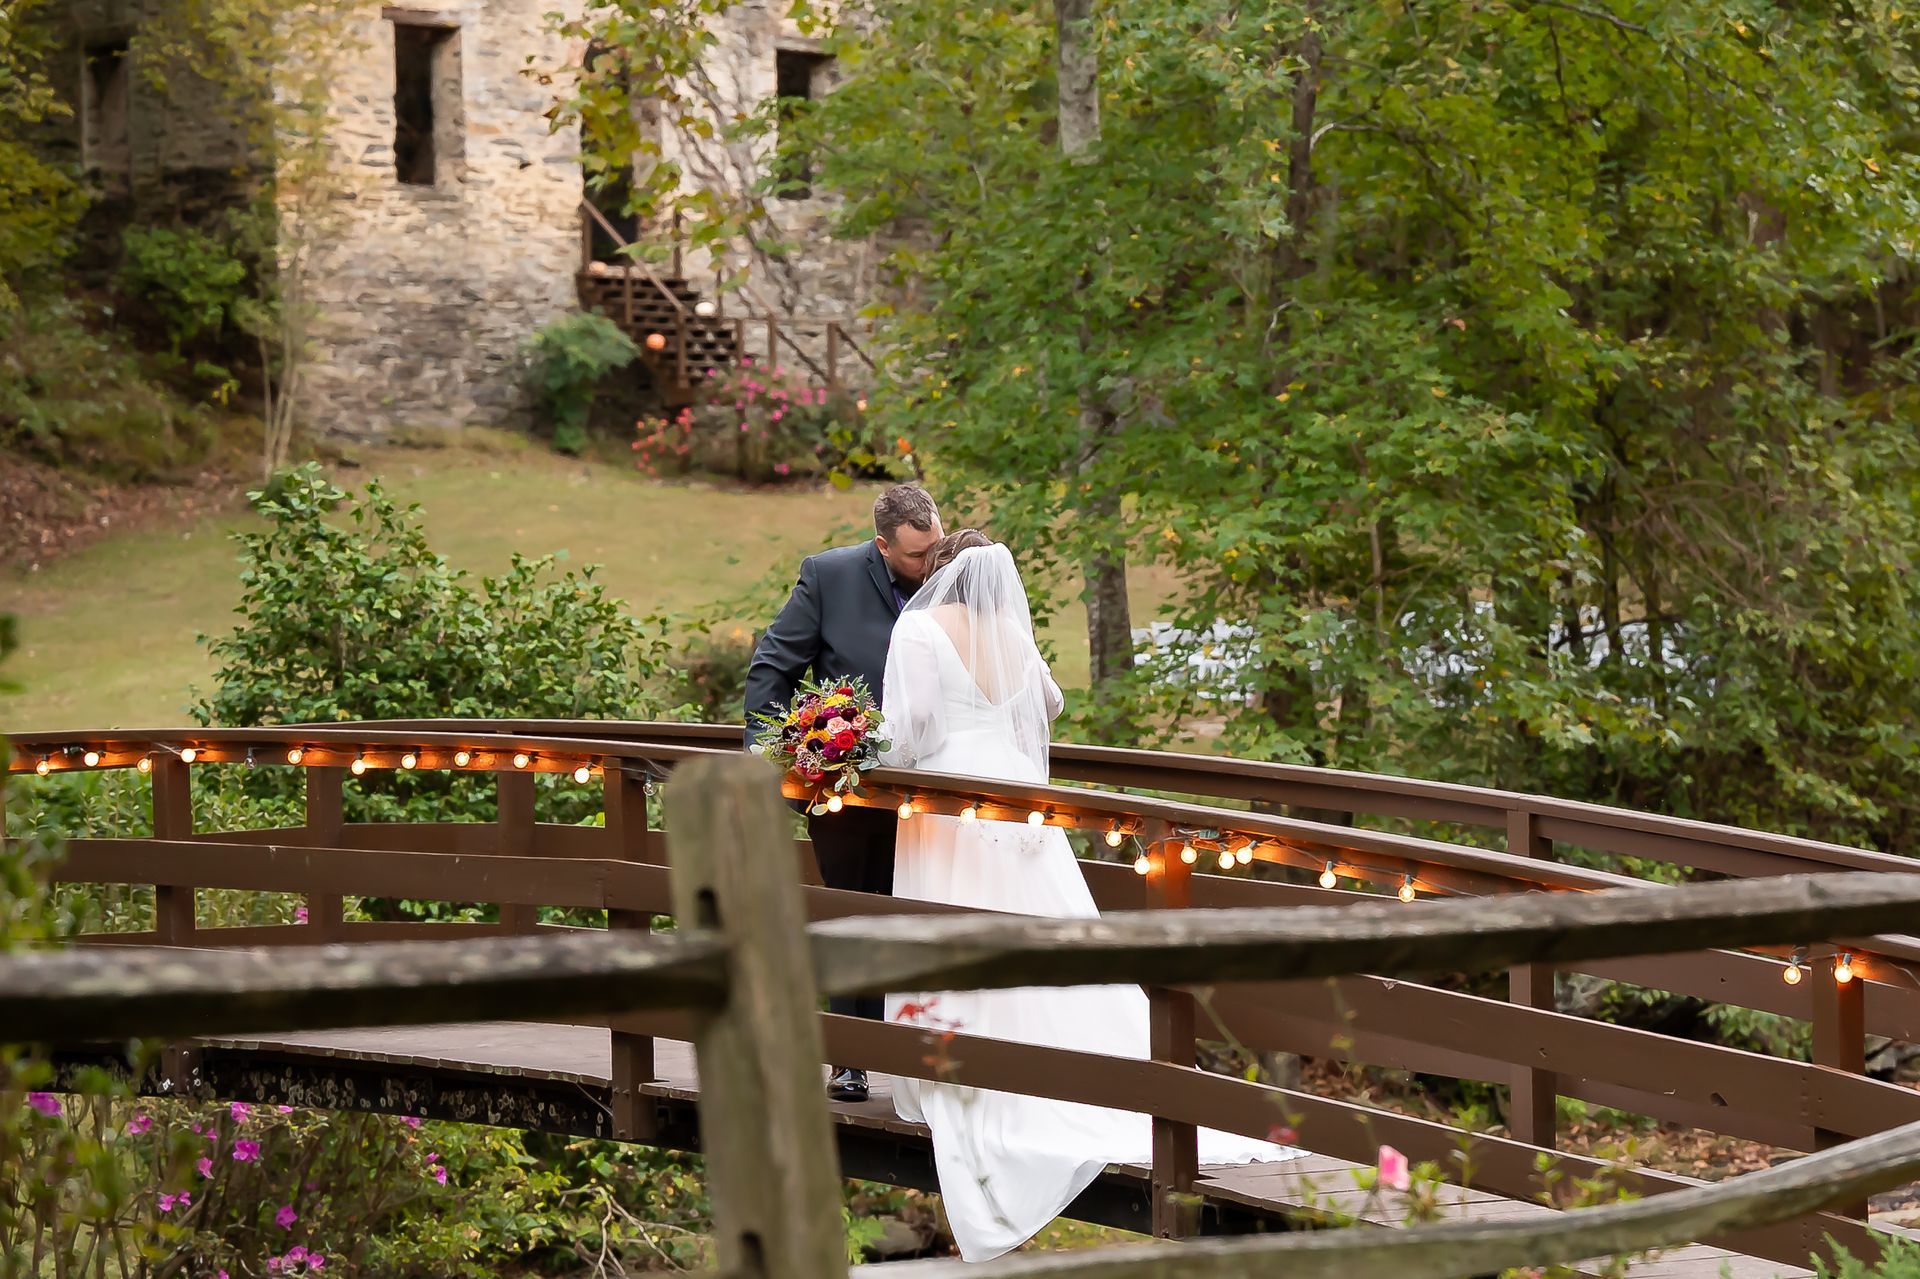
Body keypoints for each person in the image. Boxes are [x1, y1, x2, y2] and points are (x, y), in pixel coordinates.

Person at [880, 531, 1302, 1262]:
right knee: (1039, 927)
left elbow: (910, 732)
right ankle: (1088, 1073)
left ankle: (956, 1071)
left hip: (946, 799)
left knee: (952, 925)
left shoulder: (917, 627)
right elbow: (1051, 700)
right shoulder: (1011, 631)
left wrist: (860, 751)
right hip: (1018, 796)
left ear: (942, 575)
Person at [743, 483, 944, 1103]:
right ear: (883, 545)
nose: (930, 564)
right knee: (855, 911)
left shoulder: (959, 574)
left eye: (935, 547)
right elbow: (773, 669)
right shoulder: (829, 577)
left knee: (922, 911)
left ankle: (929, 1056)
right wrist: (783, 758)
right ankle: (851, 1058)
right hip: (848, 789)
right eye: (916, 556)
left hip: (937, 790)